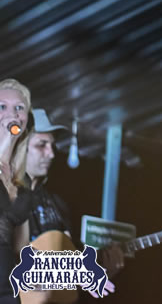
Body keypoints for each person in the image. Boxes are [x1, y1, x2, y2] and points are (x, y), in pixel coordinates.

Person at [25, 108, 120, 298]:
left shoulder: (57, 204)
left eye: (52, 145)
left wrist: (101, 270)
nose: (51, 154)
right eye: (41, 145)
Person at [0, 78, 33, 304]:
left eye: (19, 108)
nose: (12, 114)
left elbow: (22, 250)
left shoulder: (23, 181)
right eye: (2, 106)